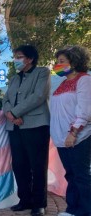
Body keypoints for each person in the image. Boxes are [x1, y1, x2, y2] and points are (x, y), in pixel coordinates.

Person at [2, 45, 50, 216]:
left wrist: (15, 112)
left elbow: (38, 96)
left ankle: (39, 203)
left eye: (19, 57)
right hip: (14, 126)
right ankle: (25, 200)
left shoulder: (42, 72)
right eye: (15, 57)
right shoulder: (14, 78)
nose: (16, 60)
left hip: (36, 125)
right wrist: (9, 114)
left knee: (37, 165)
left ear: (30, 59)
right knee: (19, 165)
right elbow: (6, 99)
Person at [50, 46, 91, 216]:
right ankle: (73, 209)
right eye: (57, 62)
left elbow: (85, 110)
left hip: (77, 136)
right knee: (71, 175)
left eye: (62, 62)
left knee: (81, 176)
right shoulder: (62, 83)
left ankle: (86, 211)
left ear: (73, 62)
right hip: (61, 138)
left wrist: (73, 132)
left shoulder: (84, 80)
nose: (57, 65)